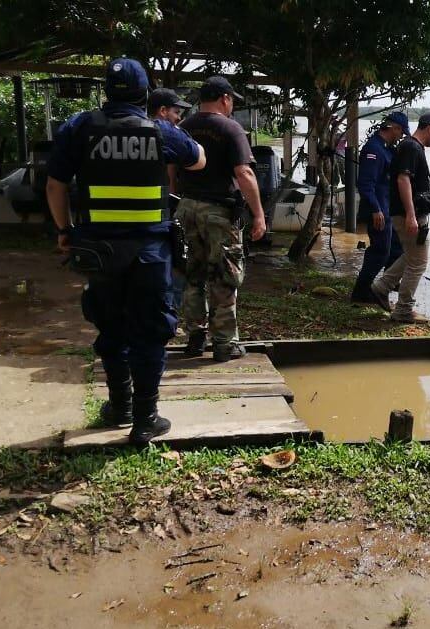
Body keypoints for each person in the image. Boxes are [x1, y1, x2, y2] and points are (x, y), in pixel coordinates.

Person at [46, 58, 206, 445]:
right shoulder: (160, 132)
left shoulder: (80, 127)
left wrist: (65, 230)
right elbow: (198, 160)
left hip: (98, 250)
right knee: (150, 331)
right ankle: (146, 419)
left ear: (106, 90)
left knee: (111, 324)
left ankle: (120, 406)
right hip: (149, 252)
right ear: (145, 94)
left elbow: (55, 185)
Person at [176, 76, 268, 361]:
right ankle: (224, 343)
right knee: (225, 276)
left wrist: (179, 197)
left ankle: (195, 337)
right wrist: (259, 215)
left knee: (193, 275)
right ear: (225, 98)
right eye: (232, 101)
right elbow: (245, 173)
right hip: (219, 212)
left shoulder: (183, 127)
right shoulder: (231, 129)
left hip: (187, 208)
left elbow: (170, 169)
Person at [370, 111, 430, 323]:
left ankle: (382, 286)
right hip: (408, 214)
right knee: (419, 263)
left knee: (412, 256)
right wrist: (411, 215)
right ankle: (403, 309)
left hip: (405, 213)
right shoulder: (411, 147)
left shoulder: (410, 147)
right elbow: (403, 180)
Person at [350, 112, 410, 306]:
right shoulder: (373, 149)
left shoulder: (387, 149)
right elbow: (366, 183)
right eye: (400, 132)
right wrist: (376, 209)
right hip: (378, 210)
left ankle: (387, 283)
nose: (401, 136)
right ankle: (361, 292)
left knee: (396, 248)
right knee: (380, 251)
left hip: (387, 209)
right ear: (394, 128)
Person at [148, 87, 194, 315]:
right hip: (155, 223)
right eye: (177, 112)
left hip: (117, 227)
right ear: (163, 111)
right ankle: (167, 316)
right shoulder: (166, 134)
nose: (180, 118)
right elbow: (198, 160)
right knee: (174, 272)